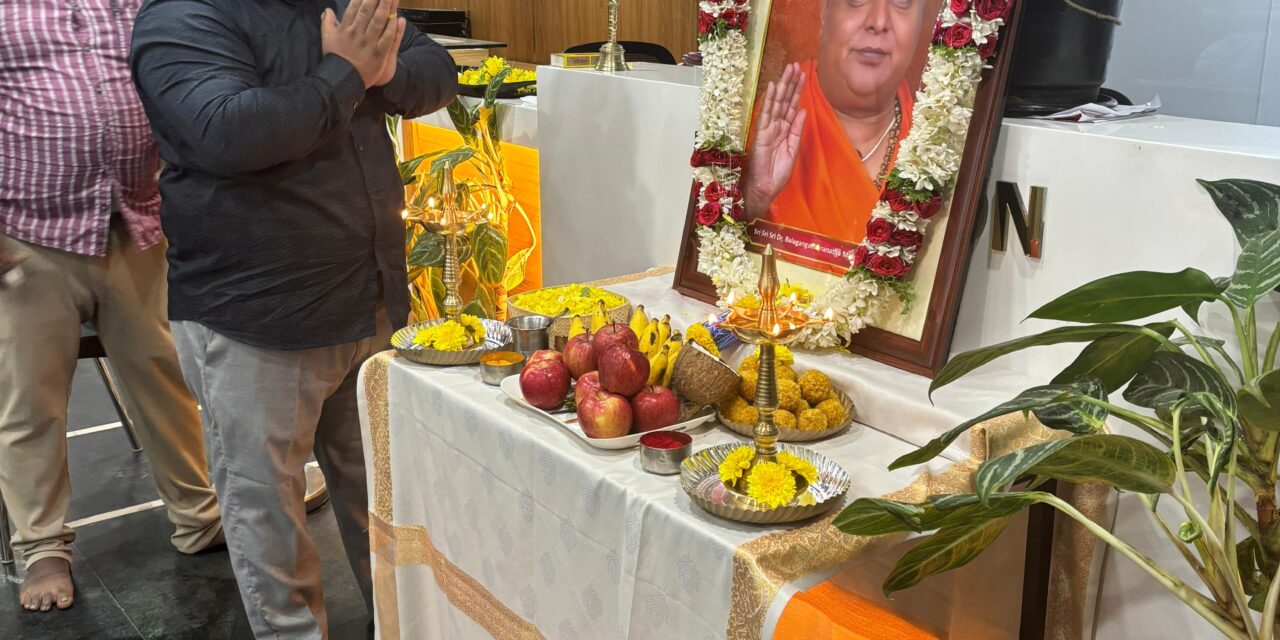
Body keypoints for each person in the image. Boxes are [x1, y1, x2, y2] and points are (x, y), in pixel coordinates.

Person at [131, 0, 456, 636]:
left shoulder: (339, 4)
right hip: (258, 318)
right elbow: (227, 131)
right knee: (269, 521)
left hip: (368, 302)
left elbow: (437, 70)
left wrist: (383, 72)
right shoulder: (182, 14)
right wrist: (347, 74)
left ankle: (402, 626)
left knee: (383, 499)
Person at [0, 0, 224, 613]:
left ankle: (199, 515)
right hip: (25, 236)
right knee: (30, 400)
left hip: (136, 223)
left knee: (163, 374)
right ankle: (42, 546)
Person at [746, 0, 927, 243]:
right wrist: (754, 198)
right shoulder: (757, 129)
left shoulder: (934, 148)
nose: (878, 22)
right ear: (825, 11)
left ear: (921, 23)